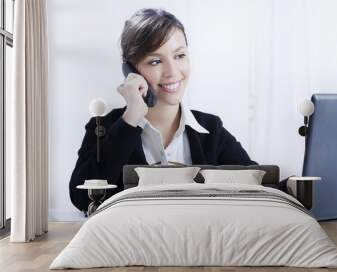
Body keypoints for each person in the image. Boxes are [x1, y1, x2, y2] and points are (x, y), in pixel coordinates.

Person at [69, 8, 257, 213]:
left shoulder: (211, 128)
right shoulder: (104, 128)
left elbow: (257, 184)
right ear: (131, 70)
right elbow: (81, 199)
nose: (172, 72)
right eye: (155, 61)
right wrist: (130, 118)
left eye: (179, 55)